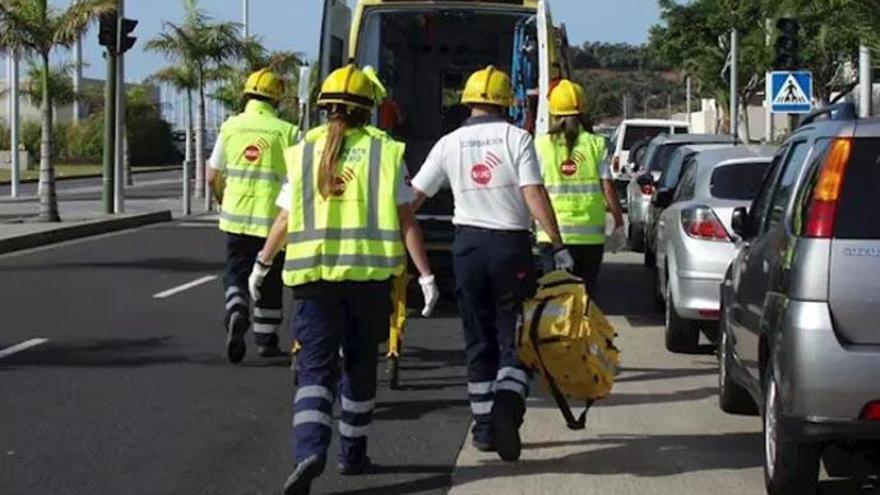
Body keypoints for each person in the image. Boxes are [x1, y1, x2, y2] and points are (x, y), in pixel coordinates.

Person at [247, 64, 438, 495]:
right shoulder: (386, 152)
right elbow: (407, 221)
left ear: (324, 107)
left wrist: (262, 263)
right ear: (368, 109)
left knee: (315, 370)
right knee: (359, 366)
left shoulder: (303, 151)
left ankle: (309, 451)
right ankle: (352, 454)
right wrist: (425, 275)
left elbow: (285, 217)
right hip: (368, 281)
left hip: (312, 280)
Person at [410, 65, 573, 462]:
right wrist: (558, 242)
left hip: (466, 248)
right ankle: (507, 407)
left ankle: (483, 428)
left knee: (478, 340)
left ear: (468, 102)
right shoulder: (516, 138)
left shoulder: (448, 144)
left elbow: (412, 198)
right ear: (507, 103)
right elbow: (532, 193)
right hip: (509, 248)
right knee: (515, 338)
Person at [207, 68, 299, 363]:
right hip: (273, 222)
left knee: (236, 272)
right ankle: (265, 339)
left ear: (246, 95)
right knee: (270, 278)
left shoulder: (230, 127)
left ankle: (236, 308)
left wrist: (223, 200)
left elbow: (211, 175)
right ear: (277, 100)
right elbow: (298, 179)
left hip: (236, 217)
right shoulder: (288, 132)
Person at [535, 79, 625, 289]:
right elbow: (608, 187)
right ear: (583, 109)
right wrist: (619, 223)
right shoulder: (596, 144)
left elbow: (534, 190)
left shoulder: (540, 145)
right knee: (585, 297)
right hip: (589, 239)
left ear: (553, 111)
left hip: (552, 236)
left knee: (555, 298)